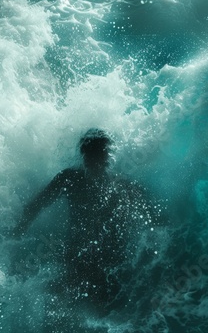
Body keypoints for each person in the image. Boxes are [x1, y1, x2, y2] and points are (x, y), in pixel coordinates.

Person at [11, 129, 151, 301]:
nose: (99, 162)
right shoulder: (70, 178)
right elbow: (36, 205)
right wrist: (19, 231)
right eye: (94, 156)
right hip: (79, 255)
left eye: (101, 156)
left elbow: (145, 212)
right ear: (85, 156)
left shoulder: (118, 184)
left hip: (106, 258)